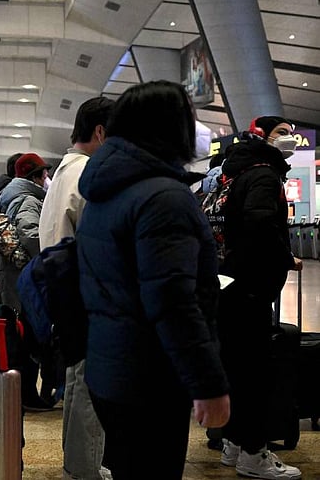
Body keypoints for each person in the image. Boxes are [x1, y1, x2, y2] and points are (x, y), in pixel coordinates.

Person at [75, 81, 230, 480]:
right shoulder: (163, 197)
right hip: (151, 377)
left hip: (111, 368)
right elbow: (173, 300)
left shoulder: (105, 189)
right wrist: (208, 383)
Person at [215, 115, 303, 480]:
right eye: (282, 133)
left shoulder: (234, 173)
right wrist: (286, 257)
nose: (290, 139)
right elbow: (261, 221)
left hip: (228, 284)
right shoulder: (264, 175)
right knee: (254, 371)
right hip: (250, 287)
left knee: (235, 366)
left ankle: (233, 443)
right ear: (262, 137)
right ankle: (254, 453)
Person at [38, 96, 114, 480]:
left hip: (62, 289)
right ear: (101, 132)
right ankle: (84, 468)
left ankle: (77, 463)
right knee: (88, 382)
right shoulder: (89, 174)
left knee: (75, 378)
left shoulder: (64, 172)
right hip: (84, 292)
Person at [0, 151, 53, 410]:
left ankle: (21, 394)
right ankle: (27, 395)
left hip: (11, 276)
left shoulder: (8, 196)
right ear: (36, 176)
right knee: (28, 336)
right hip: (24, 277)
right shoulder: (28, 200)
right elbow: (30, 233)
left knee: (19, 335)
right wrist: (50, 255)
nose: (47, 178)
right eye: (44, 173)